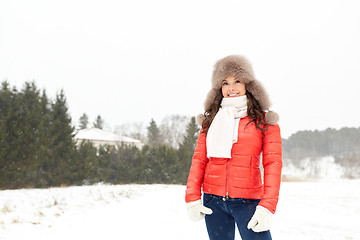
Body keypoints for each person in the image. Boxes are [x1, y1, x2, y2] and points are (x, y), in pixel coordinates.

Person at [185, 55, 282, 240]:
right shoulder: (210, 121)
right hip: (213, 201)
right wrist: (192, 198)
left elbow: (273, 165)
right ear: (219, 88)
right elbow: (199, 160)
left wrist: (267, 207)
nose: (231, 88)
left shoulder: (264, 121)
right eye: (225, 83)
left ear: (247, 84)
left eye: (237, 81)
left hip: (248, 202)